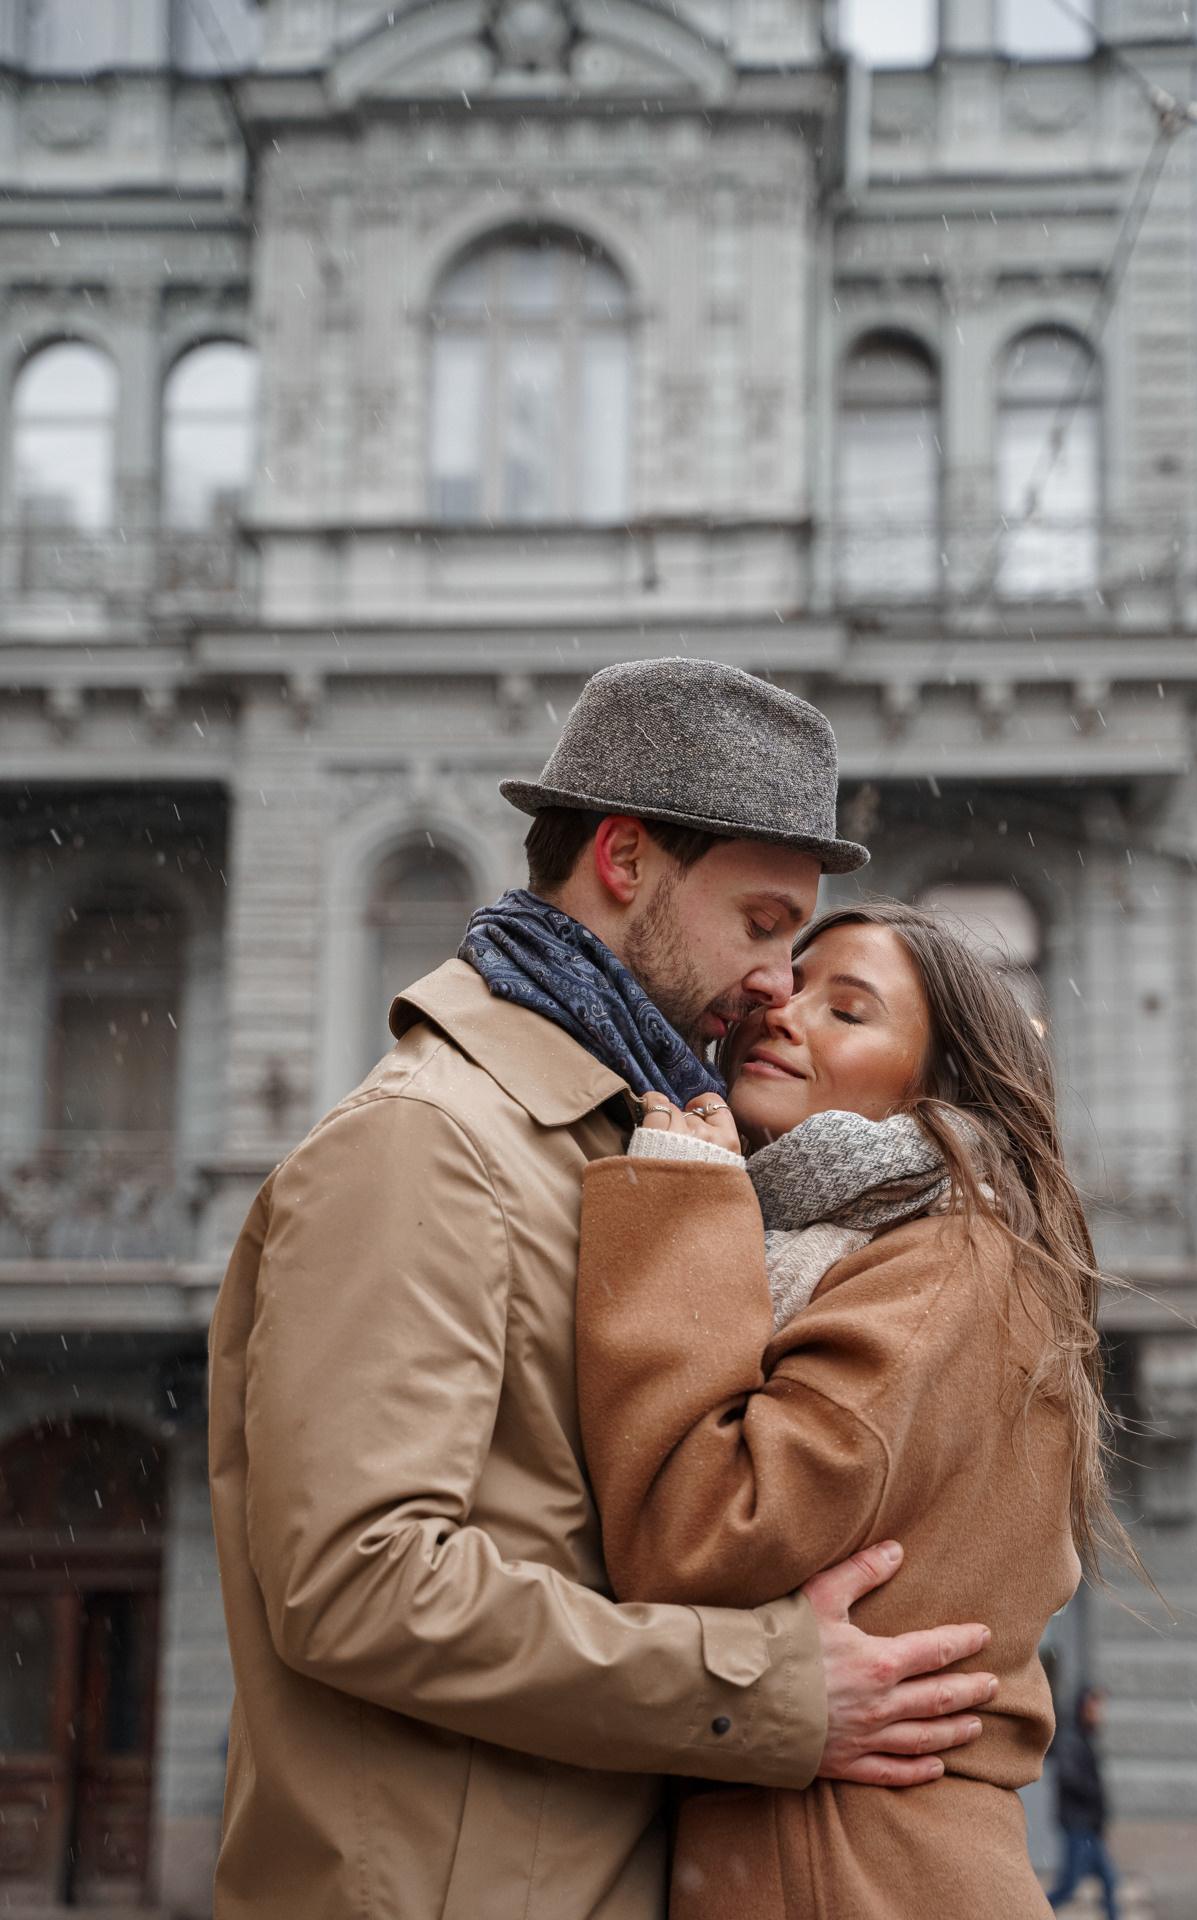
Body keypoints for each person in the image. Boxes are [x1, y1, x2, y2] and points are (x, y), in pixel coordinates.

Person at [206, 659, 1001, 1920]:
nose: (773, 984)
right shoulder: (427, 1140)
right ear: (623, 862)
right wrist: (769, 1685)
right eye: (757, 924)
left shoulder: (637, 1144)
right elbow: (355, 1581)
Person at [576, 899, 1140, 1918]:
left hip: (841, 1864)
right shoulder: (862, 1245)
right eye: (786, 989)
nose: (782, 1014)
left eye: (847, 1011)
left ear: (934, 1086)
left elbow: (700, 1533)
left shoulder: (939, 1264)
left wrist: (669, 1217)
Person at [1047, 1687, 1121, 1920]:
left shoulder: (1087, 1739)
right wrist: (1091, 1791)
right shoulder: (1071, 1739)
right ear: (1082, 1709)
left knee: (1110, 1881)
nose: (1098, 1713)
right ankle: (1028, 1913)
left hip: (1090, 1827)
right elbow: (1069, 1777)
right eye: (1093, 1707)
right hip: (1078, 1826)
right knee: (1069, 1887)